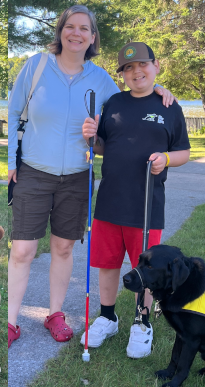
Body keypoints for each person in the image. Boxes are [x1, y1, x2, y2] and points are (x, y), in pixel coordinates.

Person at [5, 5, 177, 347]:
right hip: (34, 172)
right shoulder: (36, 66)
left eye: (84, 28)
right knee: (23, 249)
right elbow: (12, 111)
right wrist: (12, 161)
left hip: (78, 176)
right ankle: (10, 321)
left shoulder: (100, 79)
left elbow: (134, 97)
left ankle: (55, 314)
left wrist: (160, 93)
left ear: (92, 37)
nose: (77, 33)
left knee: (64, 247)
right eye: (70, 26)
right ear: (61, 31)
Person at [79, 42, 190, 358]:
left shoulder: (170, 106)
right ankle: (107, 316)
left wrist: (166, 159)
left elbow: (183, 151)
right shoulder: (114, 102)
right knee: (107, 262)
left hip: (146, 206)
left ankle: (142, 322)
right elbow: (102, 146)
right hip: (109, 202)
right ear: (123, 74)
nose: (136, 72)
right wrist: (92, 137)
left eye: (142, 65)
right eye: (128, 68)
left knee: (146, 267)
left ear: (155, 66)